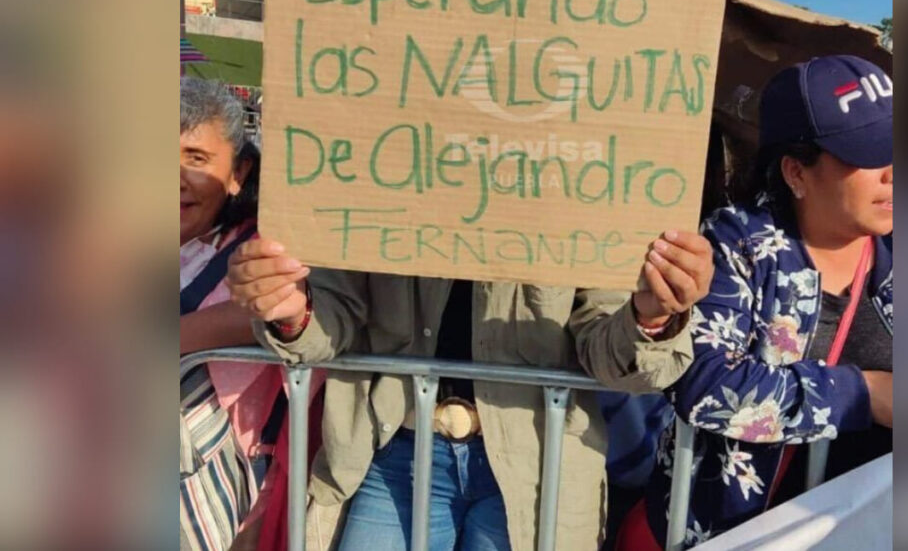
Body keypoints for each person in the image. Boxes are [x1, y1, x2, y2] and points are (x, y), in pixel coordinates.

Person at [226, 222, 715, 548]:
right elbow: (332, 311)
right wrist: (292, 308)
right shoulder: (382, 157)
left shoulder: (581, 183)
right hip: (394, 449)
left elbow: (610, 352)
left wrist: (650, 315)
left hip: (536, 463)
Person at [637, 55, 894, 548]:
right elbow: (704, 382)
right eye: (868, 153)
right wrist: (865, 394)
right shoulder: (734, 246)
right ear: (797, 172)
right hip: (741, 534)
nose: (892, 173)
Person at [179, 77, 287, 551]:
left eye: (196, 159)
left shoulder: (256, 249)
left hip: (207, 485)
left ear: (238, 172)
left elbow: (257, 313)